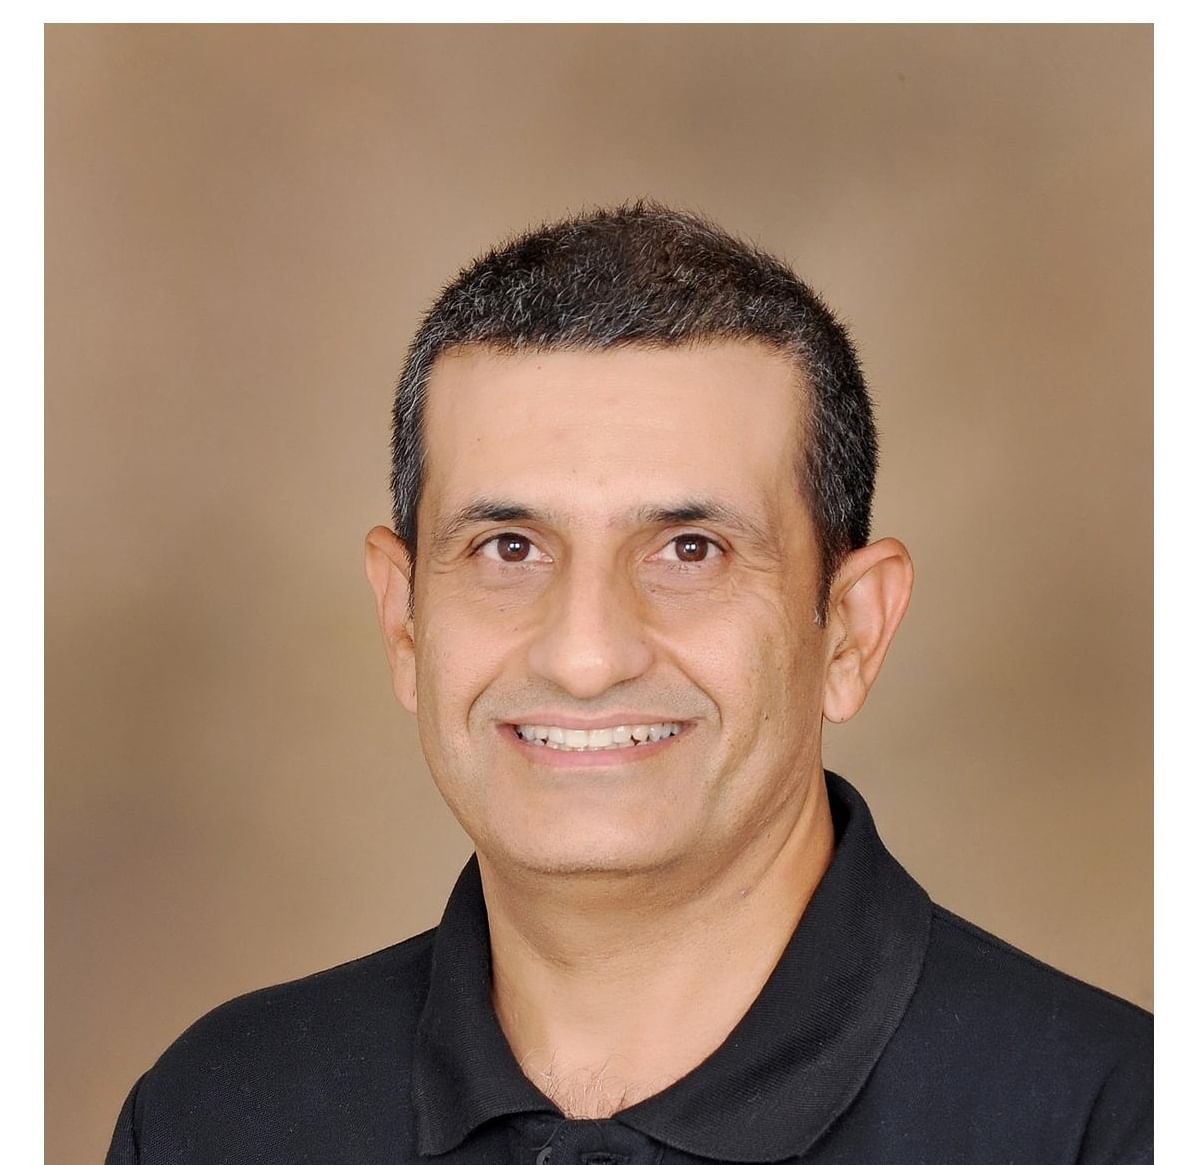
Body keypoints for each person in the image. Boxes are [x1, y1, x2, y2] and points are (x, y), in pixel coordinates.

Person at [106, 203, 1151, 1164]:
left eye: (690, 550)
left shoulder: (1112, 1123)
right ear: (403, 619)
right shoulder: (218, 1117)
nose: (585, 655)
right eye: (509, 548)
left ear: (849, 631)